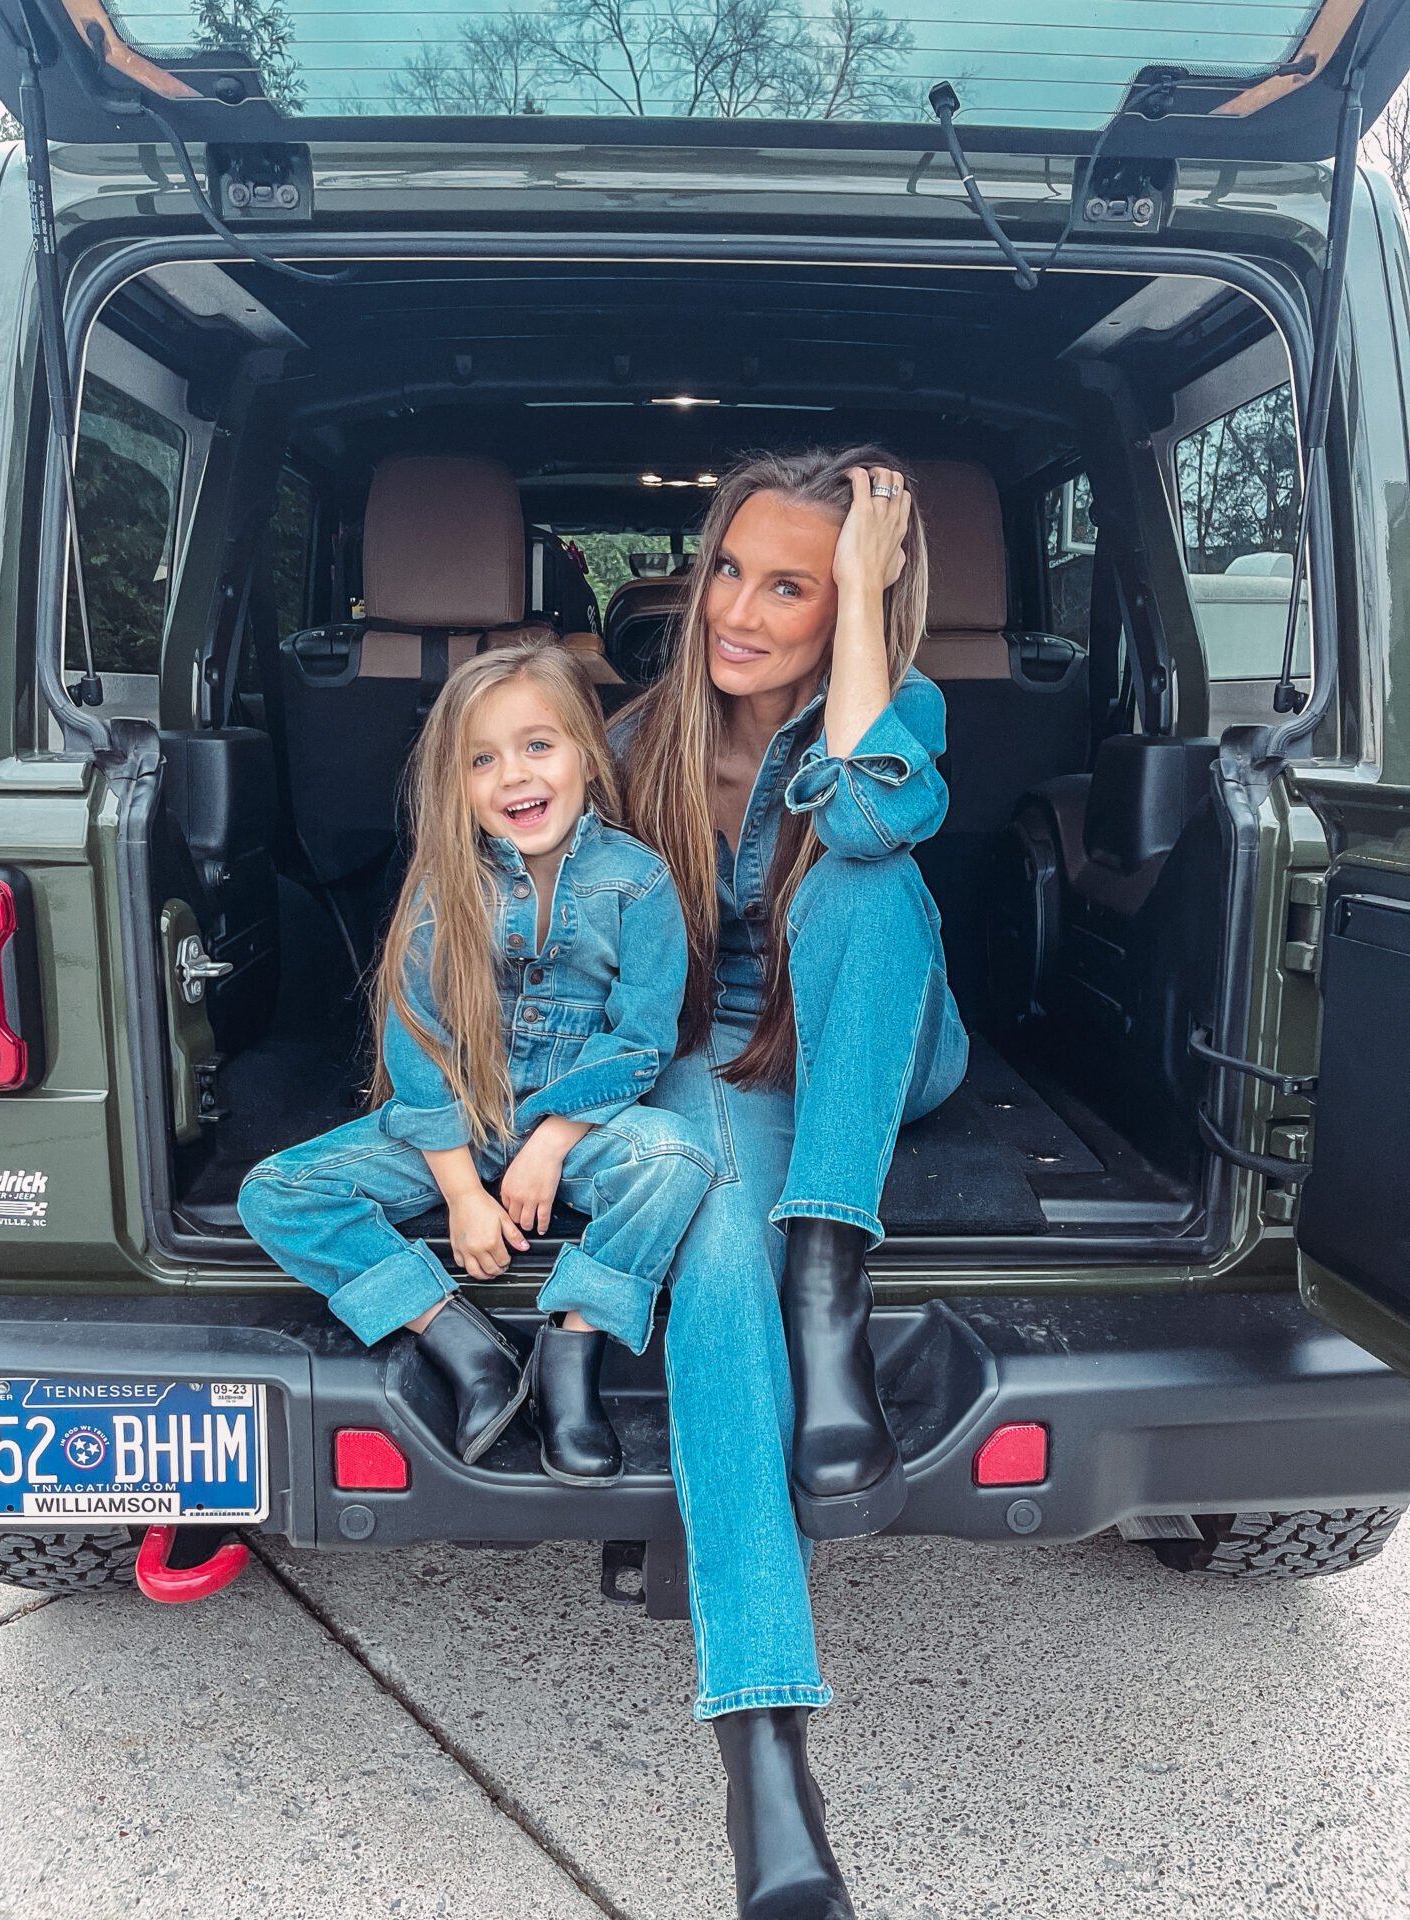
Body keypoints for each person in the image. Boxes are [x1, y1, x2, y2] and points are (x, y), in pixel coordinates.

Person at [616, 447, 968, 1919]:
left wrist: (874, 619)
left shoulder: (899, 708)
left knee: (871, 874)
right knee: (705, 1251)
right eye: (729, 573)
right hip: (727, 1064)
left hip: (879, 1043)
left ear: (857, 608)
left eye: (795, 588)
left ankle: (829, 1274)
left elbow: (883, 812)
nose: (740, 614)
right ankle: (769, 1770)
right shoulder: (631, 732)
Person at [239, 639, 713, 1485]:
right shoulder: (443, 886)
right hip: (453, 1129)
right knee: (275, 1192)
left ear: (585, 752)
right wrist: (461, 1192)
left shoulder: (638, 884)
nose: (514, 778)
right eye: (481, 760)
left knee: (677, 1158)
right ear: (455, 783)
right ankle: (466, 1343)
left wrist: (552, 1140)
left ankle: (573, 1355)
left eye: (538, 746)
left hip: (575, 1126)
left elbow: (641, 1038)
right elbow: (417, 1045)